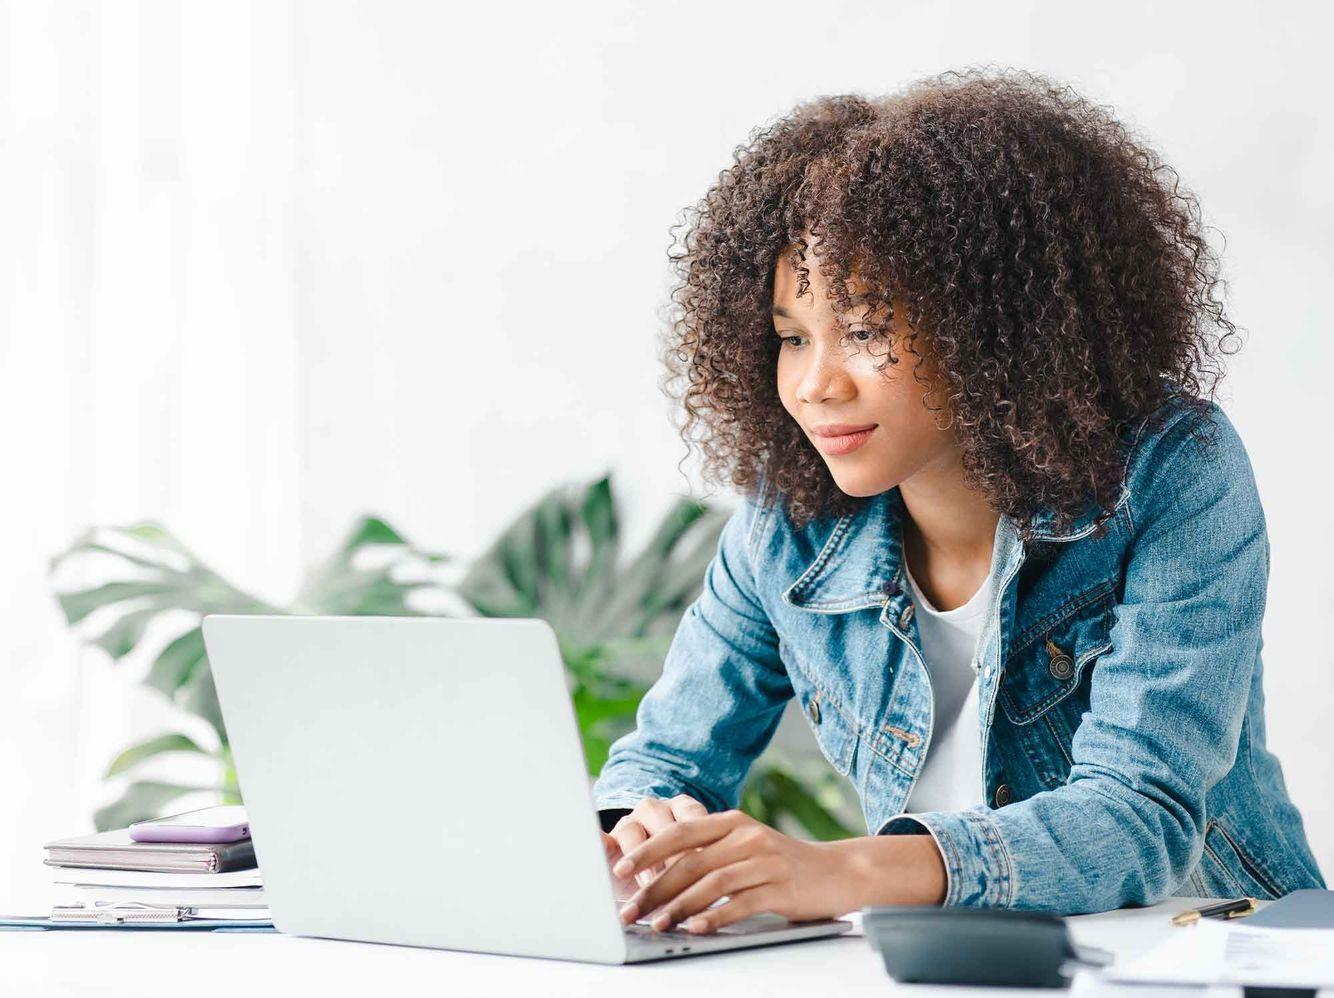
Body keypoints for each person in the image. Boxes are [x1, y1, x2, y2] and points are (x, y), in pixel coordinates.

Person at [591, 68, 1325, 936]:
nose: (816, 384)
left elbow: (1140, 815)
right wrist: (638, 834)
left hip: (1213, 947)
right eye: (793, 338)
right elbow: (668, 760)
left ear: (993, 326)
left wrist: (838, 870)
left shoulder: (1173, 471)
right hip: (953, 965)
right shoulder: (787, 514)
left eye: (865, 332)